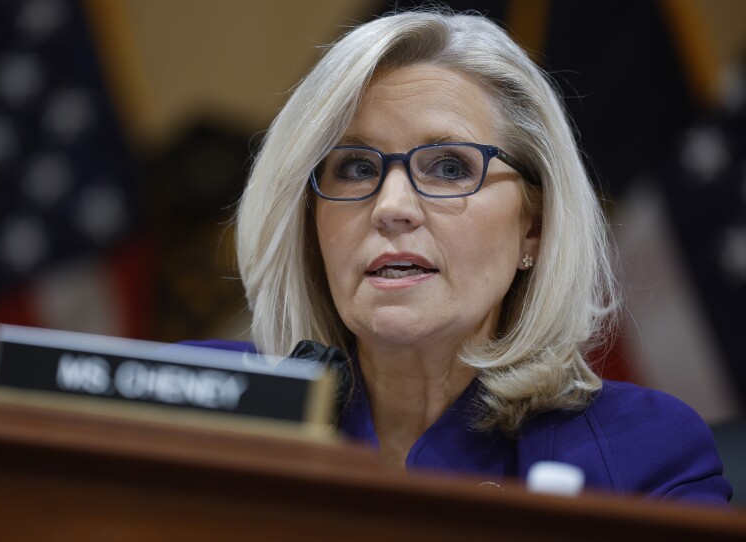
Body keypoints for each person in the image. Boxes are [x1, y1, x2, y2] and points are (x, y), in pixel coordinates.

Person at [194, 9, 732, 505]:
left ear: (534, 227)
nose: (392, 207)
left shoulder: (645, 456)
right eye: (356, 168)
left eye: (449, 167)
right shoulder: (211, 409)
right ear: (313, 228)